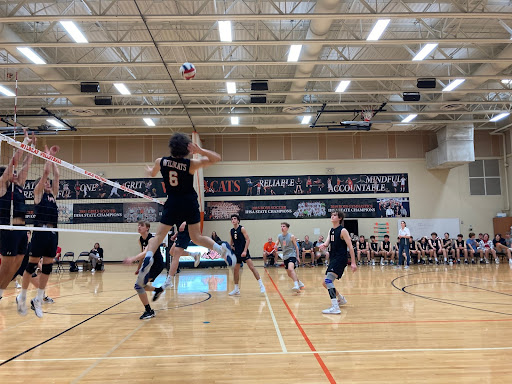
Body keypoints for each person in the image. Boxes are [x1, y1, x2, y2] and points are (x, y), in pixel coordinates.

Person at [135, 133, 233, 299]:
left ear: (171, 147)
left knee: (158, 236)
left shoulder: (161, 161)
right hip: (189, 202)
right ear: (187, 149)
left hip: (172, 202)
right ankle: (221, 251)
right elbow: (216, 158)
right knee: (197, 237)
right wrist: (200, 149)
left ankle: (149, 257)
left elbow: (152, 173)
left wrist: (148, 171)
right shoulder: (191, 164)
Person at [17, 145, 59, 318]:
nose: (48, 184)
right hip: (40, 232)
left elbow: (56, 175)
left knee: (48, 267)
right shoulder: (38, 194)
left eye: (48, 184)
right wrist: (47, 158)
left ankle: (38, 299)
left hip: (53, 233)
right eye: (45, 183)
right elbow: (46, 175)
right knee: (32, 265)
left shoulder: (53, 195)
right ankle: (23, 295)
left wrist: (55, 159)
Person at [0, 130, 34, 301]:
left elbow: (26, 166)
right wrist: (24, 144)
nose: (15, 174)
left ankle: (1, 293)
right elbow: (13, 164)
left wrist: (32, 149)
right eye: (11, 173)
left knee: (18, 265)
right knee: (6, 267)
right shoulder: (2, 186)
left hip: (21, 230)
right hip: (9, 229)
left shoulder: (19, 185)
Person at [123, 221, 169, 319]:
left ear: (147, 228)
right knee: (140, 286)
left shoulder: (152, 239)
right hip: (148, 265)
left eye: (141, 225)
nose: (139, 227)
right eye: (138, 225)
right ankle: (158, 290)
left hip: (156, 264)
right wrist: (139, 268)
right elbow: (142, 253)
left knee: (139, 286)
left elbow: (145, 253)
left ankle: (149, 310)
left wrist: (132, 259)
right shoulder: (140, 239)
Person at [318, 211, 357, 314]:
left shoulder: (343, 231)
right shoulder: (331, 230)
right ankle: (340, 299)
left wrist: (353, 262)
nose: (332, 216)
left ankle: (335, 307)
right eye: (331, 215)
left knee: (328, 281)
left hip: (340, 259)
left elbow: (350, 247)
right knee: (324, 283)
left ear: (339, 218)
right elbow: (327, 243)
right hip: (333, 258)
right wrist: (323, 246)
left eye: (335, 215)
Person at [228, 214, 265, 295]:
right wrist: (230, 247)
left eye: (235, 218)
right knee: (235, 271)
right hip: (237, 253)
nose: (233, 220)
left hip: (244, 252)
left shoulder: (242, 228)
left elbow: (248, 240)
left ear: (238, 220)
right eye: (232, 219)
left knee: (252, 268)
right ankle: (236, 289)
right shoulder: (231, 231)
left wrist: (245, 251)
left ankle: (261, 285)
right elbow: (231, 241)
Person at [163, 222, 202, 289]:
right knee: (172, 252)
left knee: (176, 255)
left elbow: (191, 216)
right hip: (181, 233)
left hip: (186, 232)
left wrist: (185, 222)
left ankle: (168, 281)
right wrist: (176, 234)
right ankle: (194, 254)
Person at [274, 222, 304, 293]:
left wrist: (297, 257)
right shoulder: (279, 236)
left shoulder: (291, 236)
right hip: (285, 256)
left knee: (291, 269)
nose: (282, 227)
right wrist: (275, 245)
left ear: (287, 228)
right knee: (289, 274)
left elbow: (296, 247)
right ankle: (300, 283)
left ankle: (296, 285)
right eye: (281, 226)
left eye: (284, 226)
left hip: (292, 255)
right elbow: (277, 242)